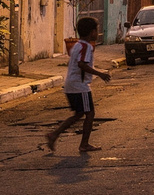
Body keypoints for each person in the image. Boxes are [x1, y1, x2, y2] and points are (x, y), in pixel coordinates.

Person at [46, 17, 111, 153]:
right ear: (92, 32)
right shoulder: (86, 46)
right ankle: (84, 144)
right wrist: (100, 74)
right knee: (90, 114)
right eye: (96, 30)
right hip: (80, 86)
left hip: (71, 85)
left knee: (79, 114)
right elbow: (82, 64)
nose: (97, 33)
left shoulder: (77, 45)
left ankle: (54, 134)